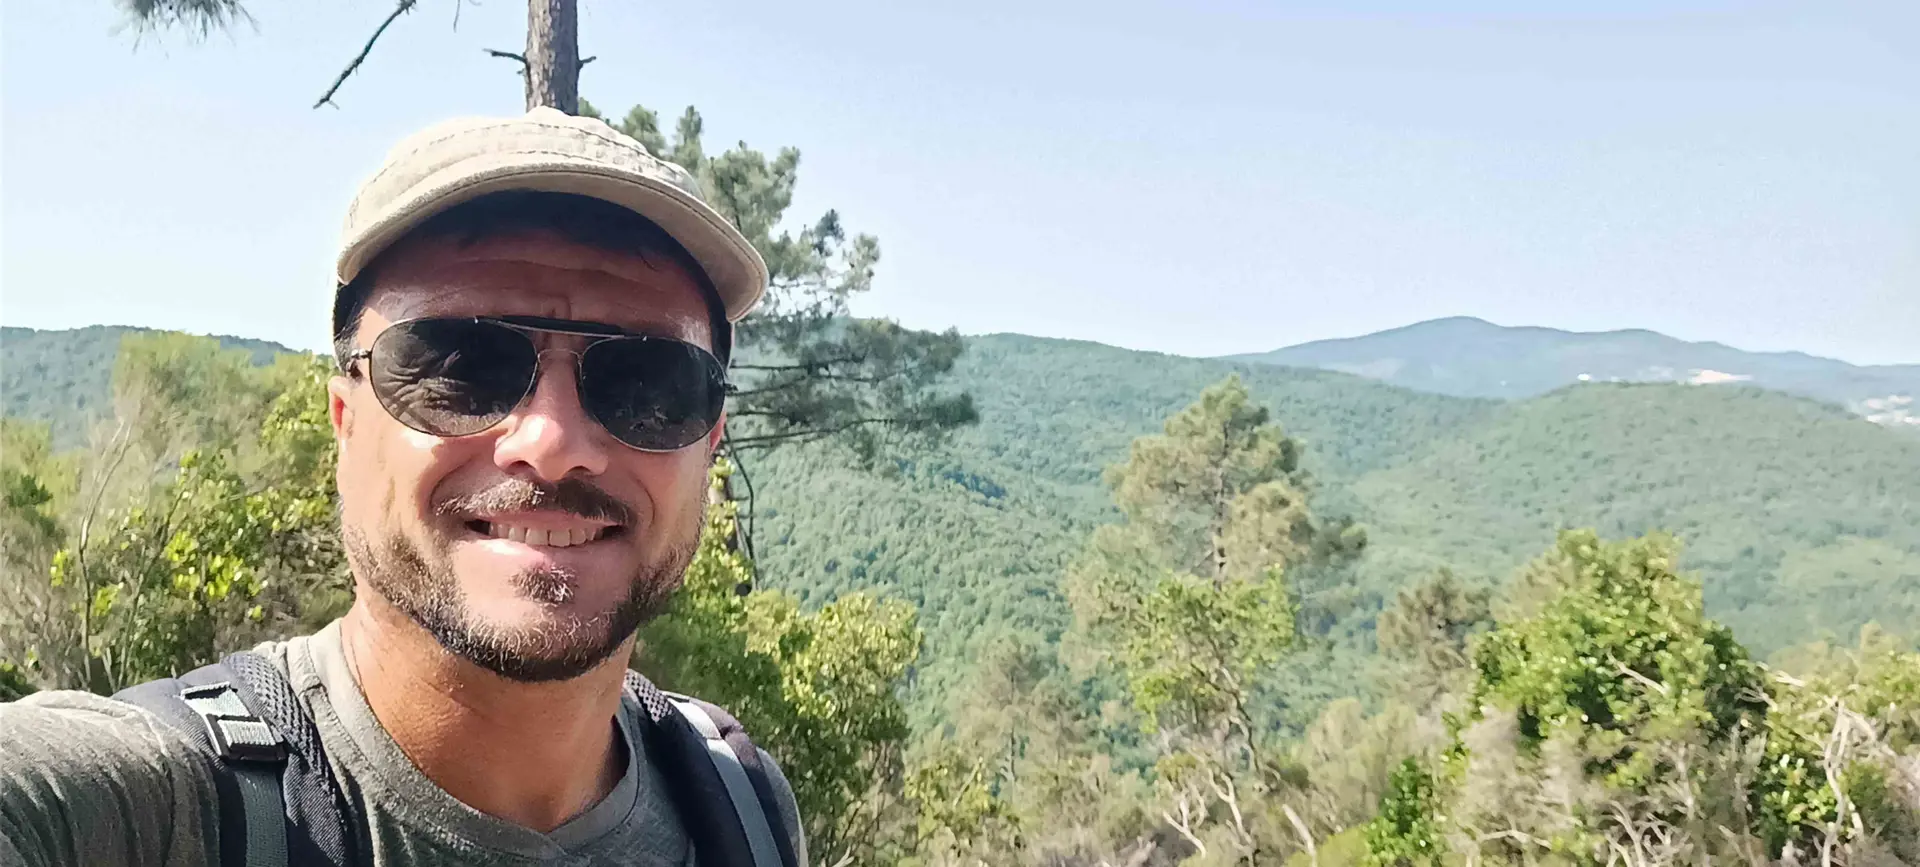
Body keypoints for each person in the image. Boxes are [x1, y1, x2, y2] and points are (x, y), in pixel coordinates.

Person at [1, 107, 807, 867]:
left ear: (710, 442)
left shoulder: (740, 808)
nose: (553, 444)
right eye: (461, 368)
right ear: (346, 422)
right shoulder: (155, 808)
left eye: (649, 382)